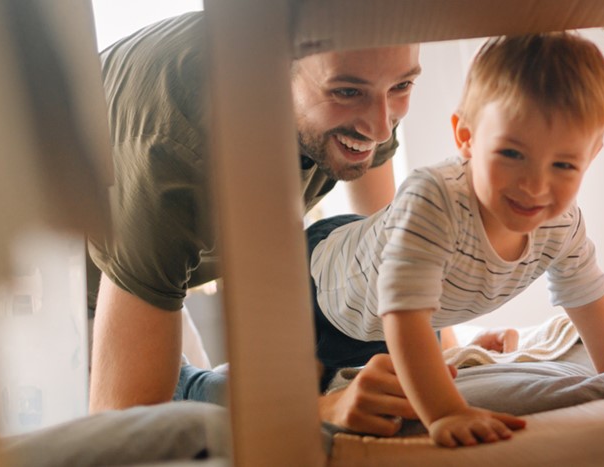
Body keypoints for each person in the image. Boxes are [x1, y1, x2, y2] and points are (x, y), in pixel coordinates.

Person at [89, 10, 421, 435]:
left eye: (403, 85)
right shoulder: (177, 149)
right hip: (58, 297)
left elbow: (392, 253)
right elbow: (122, 431)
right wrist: (318, 412)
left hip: (150, 275)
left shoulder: (367, 80)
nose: (379, 127)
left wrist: (444, 349)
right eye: (346, 91)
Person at [306, 32, 604, 448]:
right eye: (512, 154)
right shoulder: (434, 200)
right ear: (466, 136)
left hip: (390, 313)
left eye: (564, 164)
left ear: (593, 154)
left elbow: (588, 299)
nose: (535, 185)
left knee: (396, 363)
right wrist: (447, 412)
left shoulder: (561, 223)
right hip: (317, 290)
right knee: (282, 399)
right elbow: (404, 317)